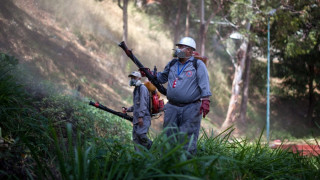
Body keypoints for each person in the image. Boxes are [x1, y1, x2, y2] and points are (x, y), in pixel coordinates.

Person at [142, 37, 211, 155]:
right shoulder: (173, 63)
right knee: (169, 136)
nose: (178, 49)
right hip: (172, 107)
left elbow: (204, 83)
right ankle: (168, 163)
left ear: (189, 50)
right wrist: (151, 74)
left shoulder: (197, 64)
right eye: (178, 46)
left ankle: (186, 165)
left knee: (187, 138)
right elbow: (162, 77)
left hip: (191, 108)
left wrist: (206, 101)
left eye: (181, 47)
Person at [122, 71, 153, 151]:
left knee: (141, 134)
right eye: (131, 78)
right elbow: (136, 105)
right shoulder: (136, 89)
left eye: (134, 78)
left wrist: (140, 116)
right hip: (136, 119)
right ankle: (138, 158)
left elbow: (143, 103)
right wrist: (128, 109)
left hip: (143, 118)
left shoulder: (142, 88)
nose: (132, 79)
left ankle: (153, 147)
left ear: (139, 78)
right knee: (136, 140)